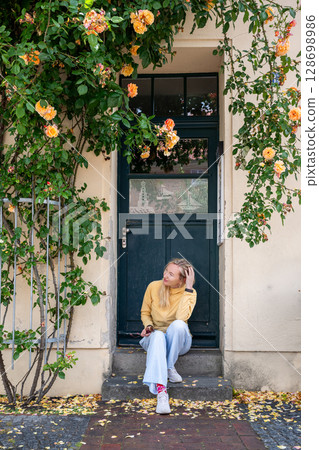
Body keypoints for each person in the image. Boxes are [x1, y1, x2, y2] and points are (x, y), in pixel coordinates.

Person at [139, 258, 196, 414]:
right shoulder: (153, 287)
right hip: (155, 339)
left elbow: (181, 317)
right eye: (166, 271)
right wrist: (148, 327)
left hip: (179, 341)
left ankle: (169, 366)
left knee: (178, 325)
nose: (165, 275)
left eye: (171, 274)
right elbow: (145, 313)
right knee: (157, 336)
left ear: (181, 280)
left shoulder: (189, 292)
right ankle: (162, 391)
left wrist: (188, 288)